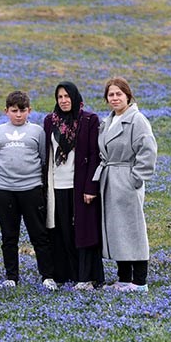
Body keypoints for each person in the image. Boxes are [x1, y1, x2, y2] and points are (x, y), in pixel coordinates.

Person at [94, 77, 157, 292]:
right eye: (111, 95)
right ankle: (123, 279)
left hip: (126, 179)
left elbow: (148, 151)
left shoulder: (137, 120)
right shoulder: (107, 121)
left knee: (133, 229)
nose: (114, 98)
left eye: (118, 94)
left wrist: (135, 179)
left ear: (128, 96)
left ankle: (140, 281)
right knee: (117, 229)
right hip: (110, 179)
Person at [0, 91, 55, 290]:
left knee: (39, 235)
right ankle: (11, 277)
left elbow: (43, 159)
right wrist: (0, 181)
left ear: (29, 111)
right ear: (6, 111)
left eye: (22, 111)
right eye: (14, 111)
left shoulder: (37, 131)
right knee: (9, 236)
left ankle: (47, 276)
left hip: (32, 189)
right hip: (5, 190)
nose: (18, 115)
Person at [43, 81, 104, 290]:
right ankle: (66, 273)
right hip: (57, 185)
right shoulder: (50, 121)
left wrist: (91, 187)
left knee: (84, 230)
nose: (63, 100)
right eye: (60, 97)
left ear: (75, 97)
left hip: (80, 186)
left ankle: (86, 276)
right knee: (61, 231)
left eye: (67, 96)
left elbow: (95, 156)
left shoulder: (89, 120)